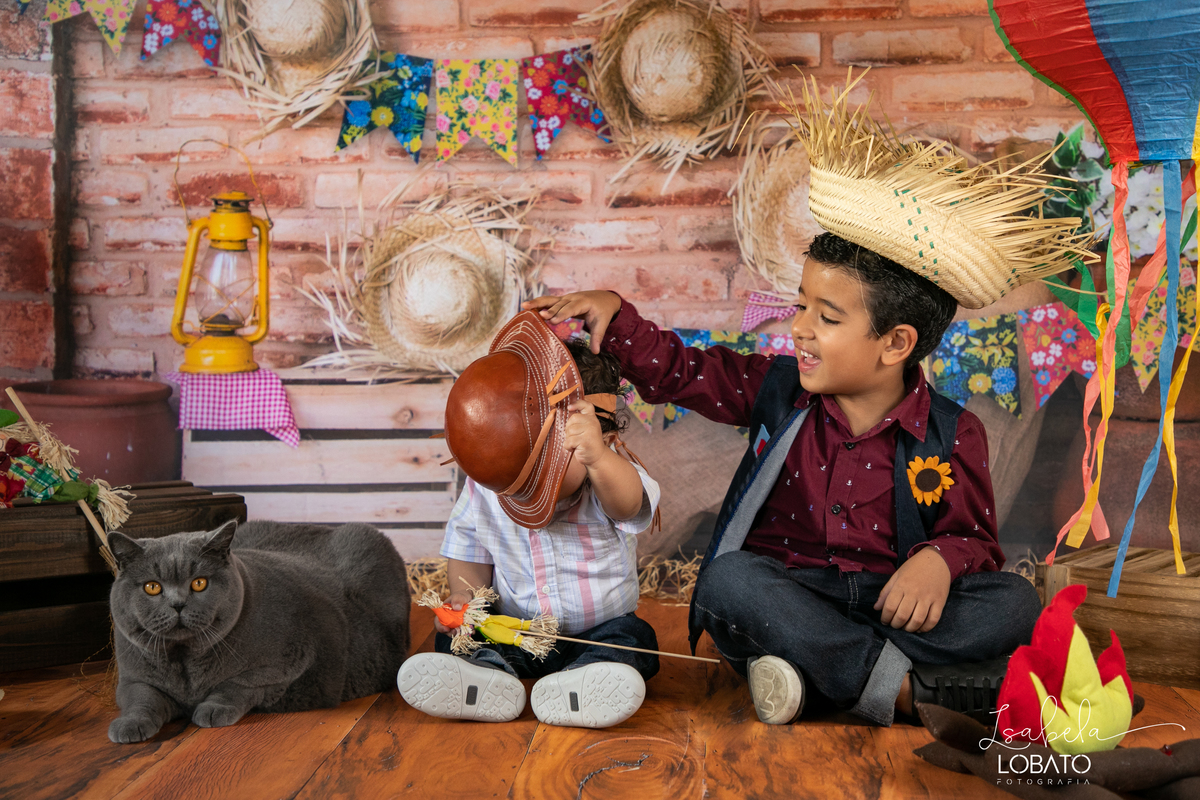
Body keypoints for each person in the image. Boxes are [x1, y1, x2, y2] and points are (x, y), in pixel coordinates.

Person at [521, 76, 1088, 728]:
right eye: (800, 308)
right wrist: (617, 319)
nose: (800, 329)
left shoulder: (953, 433)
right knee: (732, 583)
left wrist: (938, 562)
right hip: (788, 594)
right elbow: (685, 371)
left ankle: (816, 678)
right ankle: (909, 694)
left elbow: (973, 539)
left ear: (895, 343)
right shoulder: (776, 390)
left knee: (1011, 602)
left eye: (827, 317)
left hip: (892, 602)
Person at [398, 313, 662, 729]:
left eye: (546, 472)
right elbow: (470, 546)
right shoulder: (490, 481)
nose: (526, 492)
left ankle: (583, 685)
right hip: (516, 632)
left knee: (636, 641)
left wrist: (597, 459)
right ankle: (487, 679)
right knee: (459, 640)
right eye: (519, 483)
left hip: (596, 633)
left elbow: (629, 506)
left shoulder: (608, 473)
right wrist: (465, 608)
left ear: (604, 436)